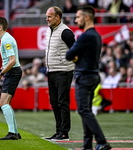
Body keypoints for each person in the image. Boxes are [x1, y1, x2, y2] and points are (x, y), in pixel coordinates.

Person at [66, 5, 111, 150]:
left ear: (87, 17)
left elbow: (68, 55)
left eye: (78, 17)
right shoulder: (96, 35)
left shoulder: (85, 36)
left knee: (83, 110)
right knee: (86, 111)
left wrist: (75, 57)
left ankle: (101, 141)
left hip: (84, 77)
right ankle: (87, 145)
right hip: (93, 76)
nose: (76, 19)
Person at [45, 6, 75, 141]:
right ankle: (58, 132)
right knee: (54, 102)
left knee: (63, 102)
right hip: (51, 71)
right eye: (47, 16)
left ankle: (64, 133)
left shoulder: (66, 32)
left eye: (50, 16)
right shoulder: (48, 31)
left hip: (63, 71)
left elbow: (75, 51)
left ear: (58, 17)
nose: (47, 19)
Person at [0, 17, 22, 140]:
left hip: (13, 72)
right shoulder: (5, 39)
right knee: (5, 102)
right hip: (12, 72)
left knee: (3, 102)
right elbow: (7, 61)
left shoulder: (6, 40)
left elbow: (13, 61)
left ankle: (13, 133)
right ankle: (15, 132)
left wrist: (0, 74)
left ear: (0, 27)